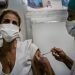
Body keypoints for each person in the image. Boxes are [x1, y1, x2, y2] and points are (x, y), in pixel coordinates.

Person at [0, 9, 41, 75]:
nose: (10, 25)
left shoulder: (29, 49)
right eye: (6, 21)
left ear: (19, 30)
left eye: (14, 23)